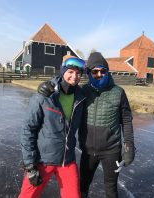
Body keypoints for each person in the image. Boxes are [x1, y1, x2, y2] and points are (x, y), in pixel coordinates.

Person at [38, 52, 135, 198]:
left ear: (107, 72)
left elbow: (126, 120)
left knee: (111, 188)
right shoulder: (82, 91)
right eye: (95, 71)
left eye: (103, 71)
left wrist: (129, 147)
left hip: (111, 150)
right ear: (89, 73)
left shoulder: (118, 92)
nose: (99, 74)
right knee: (83, 185)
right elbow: (64, 89)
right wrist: (46, 86)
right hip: (88, 151)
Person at [19, 56, 86, 198]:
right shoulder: (45, 95)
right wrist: (30, 165)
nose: (74, 76)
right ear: (63, 72)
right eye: (71, 72)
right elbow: (28, 129)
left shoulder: (81, 97)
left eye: (78, 73)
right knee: (27, 196)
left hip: (67, 160)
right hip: (43, 160)